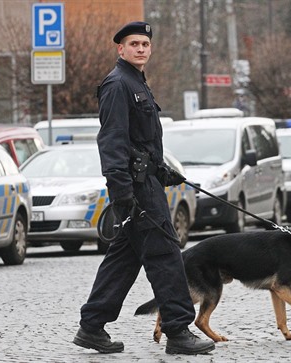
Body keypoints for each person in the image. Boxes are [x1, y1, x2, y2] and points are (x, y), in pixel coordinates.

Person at [72, 21, 215, 355]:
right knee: (166, 255)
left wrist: (162, 171)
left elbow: (141, 142)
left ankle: (92, 326)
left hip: (145, 183)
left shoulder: (135, 82)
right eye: (133, 44)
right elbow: (112, 141)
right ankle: (178, 331)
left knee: (124, 259)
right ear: (120, 49)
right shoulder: (117, 84)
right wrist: (122, 192)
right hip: (136, 190)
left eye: (145, 44)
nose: (140, 49)